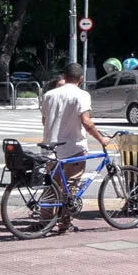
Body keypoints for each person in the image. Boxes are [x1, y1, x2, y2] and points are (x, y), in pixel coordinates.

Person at [41, 61, 106, 216]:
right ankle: (64, 223)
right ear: (81, 78)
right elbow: (86, 121)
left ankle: (44, 220)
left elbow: (45, 121)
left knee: (52, 187)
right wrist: (102, 139)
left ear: (64, 76)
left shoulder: (49, 95)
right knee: (70, 188)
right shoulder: (82, 95)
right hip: (73, 148)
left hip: (51, 148)